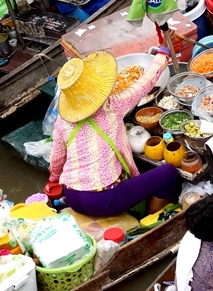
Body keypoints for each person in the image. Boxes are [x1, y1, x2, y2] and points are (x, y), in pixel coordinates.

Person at [49, 50, 179, 217]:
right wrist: (162, 56)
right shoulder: (112, 106)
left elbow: (57, 159)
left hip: (72, 195)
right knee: (168, 173)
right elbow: (144, 83)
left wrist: (53, 179)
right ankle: (149, 220)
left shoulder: (63, 120)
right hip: (104, 198)